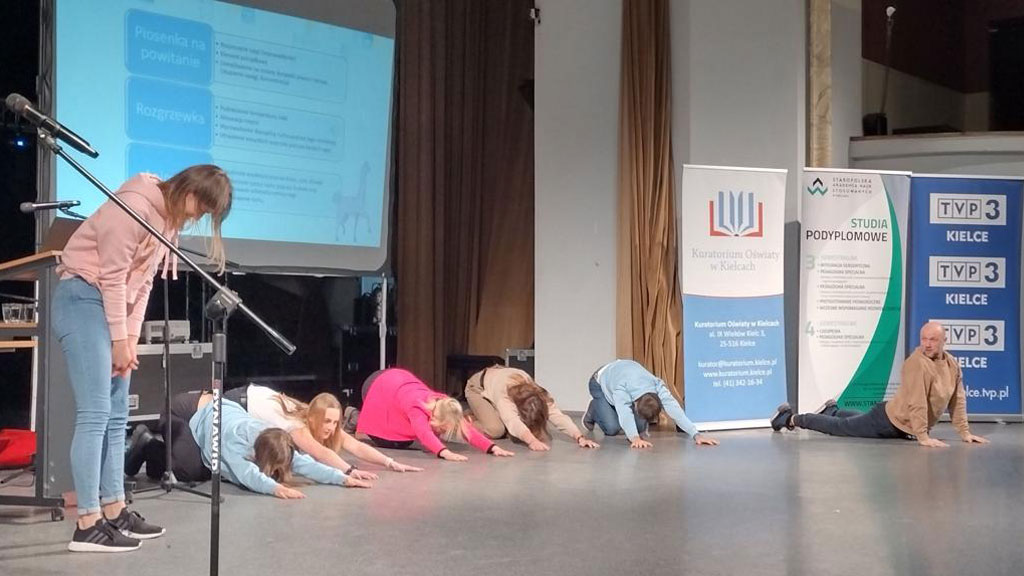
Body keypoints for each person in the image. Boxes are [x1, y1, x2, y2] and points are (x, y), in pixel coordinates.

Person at [52, 165, 231, 552]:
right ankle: (87, 523)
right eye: (202, 207)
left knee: (118, 415)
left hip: (111, 307)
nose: (199, 216)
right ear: (188, 190)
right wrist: (120, 339)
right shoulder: (133, 206)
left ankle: (114, 509)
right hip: (82, 297)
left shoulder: (167, 222)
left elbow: (144, 282)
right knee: (96, 412)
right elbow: (114, 276)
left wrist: (130, 340)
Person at [771, 321, 990, 448]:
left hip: (899, 422)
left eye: (933, 339)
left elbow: (957, 399)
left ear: (944, 341)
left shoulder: (952, 364)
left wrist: (964, 432)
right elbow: (917, 402)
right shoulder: (917, 364)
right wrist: (923, 436)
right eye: (924, 339)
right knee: (841, 428)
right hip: (888, 422)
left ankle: (832, 410)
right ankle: (789, 418)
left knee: (856, 421)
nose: (927, 344)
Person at [188, 395, 371, 497]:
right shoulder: (235, 445)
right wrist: (276, 488)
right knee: (188, 468)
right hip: (200, 413)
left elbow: (304, 463)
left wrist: (342, 478)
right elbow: (248, 475)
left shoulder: (274, 436)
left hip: (230, 408)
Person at [223, 385, 422, 477]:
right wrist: (350, 471)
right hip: (238, 401)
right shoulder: (297, 426)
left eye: (335, 422)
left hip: (251, 398)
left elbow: (356, 446)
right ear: (315, 418)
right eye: (327, 421)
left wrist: (390, 462)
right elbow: (321, 452)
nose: (331, 427)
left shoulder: (312, 416)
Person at [357, 369, 515, 461]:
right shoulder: (417, 407)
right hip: (375, 385)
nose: (442, 433)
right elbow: (424, 434)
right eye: (442, 428)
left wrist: (492, 448)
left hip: (397, 382)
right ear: (434, 418)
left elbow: (466, 429)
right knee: (393, 442)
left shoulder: (444, 403)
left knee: (406, 440)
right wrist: (445, 452)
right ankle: (354, 416)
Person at [581, 359, 720, 449]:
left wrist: (696, 435)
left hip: (622, 375)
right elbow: (625, 414)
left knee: (640, 426)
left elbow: (675, 410)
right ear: (635, 405)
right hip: (599, 382)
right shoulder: (621, 388)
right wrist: (634, 438)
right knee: (612, 429)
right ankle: (593, 409)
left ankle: (606, 409)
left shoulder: (657, 386)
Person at [464, 365, 599, 450]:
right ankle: (466, 420)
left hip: (496, 379)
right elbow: (512, 421)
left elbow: (557, 415)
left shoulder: (539, 394)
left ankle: (483, 414)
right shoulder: (505, 395)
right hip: (478, 388)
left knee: (529, 434)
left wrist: (579, 437)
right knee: (496, 430)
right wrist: (531, 441)